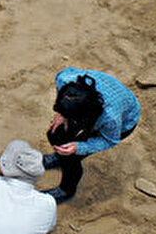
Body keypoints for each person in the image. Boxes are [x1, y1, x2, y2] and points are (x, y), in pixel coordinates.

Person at [42, 67, 140, 203]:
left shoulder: (110, 118)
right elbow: (61, 82)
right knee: (56, 133)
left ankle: (66, 190)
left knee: (72, 158)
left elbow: (109, 140)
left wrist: (80, 147)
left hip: (125, 120)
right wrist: (62, 113)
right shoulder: (65, 79)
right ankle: (59, 158)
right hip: (89, 107)